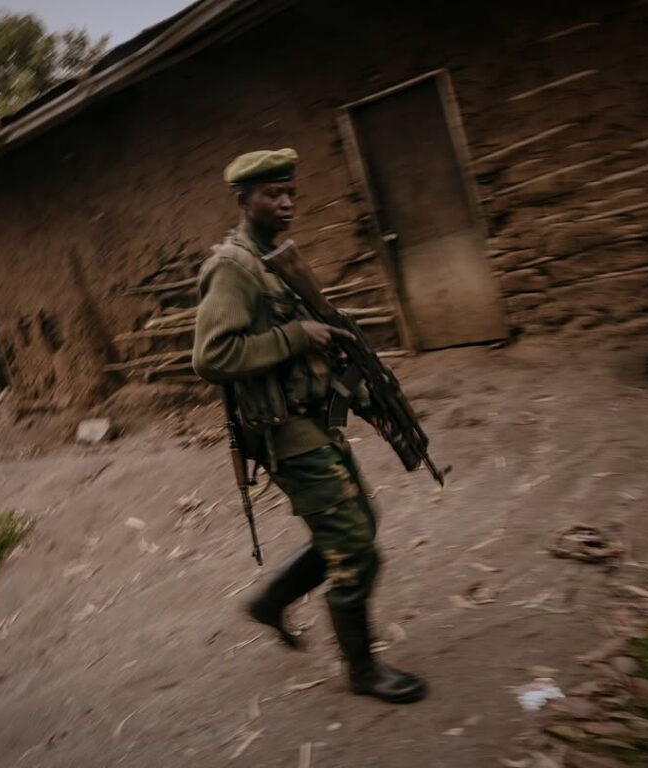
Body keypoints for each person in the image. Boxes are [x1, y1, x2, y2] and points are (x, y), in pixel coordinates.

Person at [192, 148, 426, 704]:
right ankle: (362, 669)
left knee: (360, 522)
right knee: (356, 549)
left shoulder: (274, 257)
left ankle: (272, 602)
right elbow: (210, 356)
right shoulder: (233, 266)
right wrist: (296, 336)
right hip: (285, 433)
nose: (287, 201)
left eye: (290, 191)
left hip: (314, 419)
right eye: (273, 193)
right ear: (243, 199)